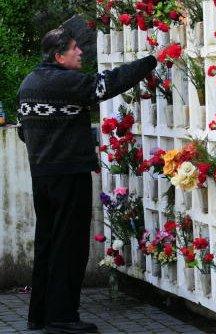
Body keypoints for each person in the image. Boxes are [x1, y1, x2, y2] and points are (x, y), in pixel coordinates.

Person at [17, 27, 157, 334]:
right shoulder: (64, 82)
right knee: (70, 245)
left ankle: (39, 315)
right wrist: (151, 60)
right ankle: (63, 318)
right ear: (58, 55)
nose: (81, 52)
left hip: (42, 176)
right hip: (68, 175)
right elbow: (108, 84)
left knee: (48, 244)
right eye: (74, 48)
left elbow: (21, 131)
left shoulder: (30, 82)